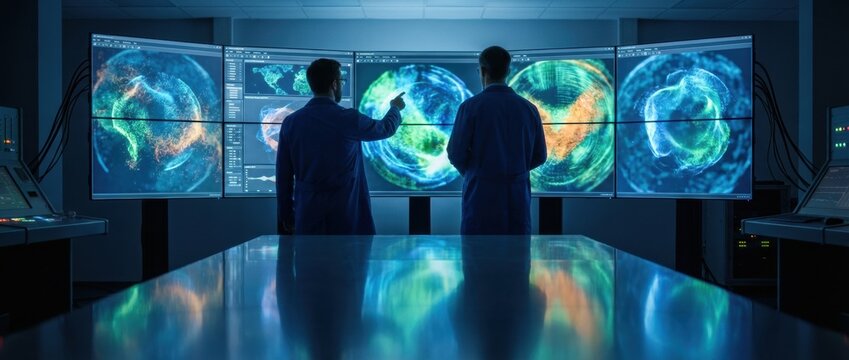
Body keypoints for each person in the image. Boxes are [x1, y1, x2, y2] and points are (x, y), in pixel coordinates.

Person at [276, 58, 406, 235]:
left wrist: (286, 214)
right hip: (346, 216)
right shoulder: (348, 119)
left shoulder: (291, 123)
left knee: (309, 261)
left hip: (307, 216)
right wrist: (395, 108)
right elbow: (385, 128)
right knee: (349, 261)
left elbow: (283, 176)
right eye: (341, 81)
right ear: (334, 84)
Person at [447, 46, 547, 235]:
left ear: (482, 71)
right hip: (517, 201)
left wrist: (474, 173)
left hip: (480, 200)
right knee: (516, 259)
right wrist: (516, 170)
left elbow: (455, 153)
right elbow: (540, 156)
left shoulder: (470, 108)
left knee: (477, 259)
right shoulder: (529, 109)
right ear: (508, 71)